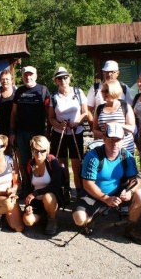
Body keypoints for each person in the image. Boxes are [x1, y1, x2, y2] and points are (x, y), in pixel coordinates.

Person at [72, 123, 141, 245]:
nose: (114, 143)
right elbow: (87, 184)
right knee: (79, 219)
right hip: (94, 195)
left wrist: (129, 191)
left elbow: (136, 180)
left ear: (123, 140)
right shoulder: (93, 156)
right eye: (111, 139)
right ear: (104, 138)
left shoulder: (126, 156)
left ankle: (130, 228)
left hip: (117, 194)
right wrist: (106, 198)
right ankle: (90, 219)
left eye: (118, 140)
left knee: (140, 195)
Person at [48, 67, 88, 201]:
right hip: (60, 133)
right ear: (56, 81)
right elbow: (51, 117)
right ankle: (66, 190)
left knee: (76, 164)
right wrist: (59, 125)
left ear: (69, 78)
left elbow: (85, 112)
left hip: (76, 132)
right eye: (60, 78)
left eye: (65, 77)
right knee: (61, 164)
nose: (63, 80)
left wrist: (76, 122)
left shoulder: (78, 92)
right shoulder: (54, 96)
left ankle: (79, 191)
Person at [9, 66, 50, 171]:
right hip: (22, 132)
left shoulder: (43, 90)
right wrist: (12, 132)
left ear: (36, 76)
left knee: (40, 160)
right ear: (22, 77)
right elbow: (14, 113)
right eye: (25, 75)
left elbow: (50, 113)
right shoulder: (19, 91)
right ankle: (27, 186)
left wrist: (48, 133)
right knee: (24, 161)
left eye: (30, 75)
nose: (28, 77)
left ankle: (41, 184)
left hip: (38, 132)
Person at [22, 135, 64, 235]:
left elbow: (56, 185)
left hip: (51, 197)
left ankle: (52, 219)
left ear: (47, 150)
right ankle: (43, 215)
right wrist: (28, 205)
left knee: (48, 197)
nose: (39, 154)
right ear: (32, 150)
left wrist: (36, 193)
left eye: (42, 151)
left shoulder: (52, 161)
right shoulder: (30, 164)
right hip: (36, 200)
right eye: (36, 151)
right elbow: (26, 187)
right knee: (28, 221)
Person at [93, 80, 136, 155]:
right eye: (102, 91)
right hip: (107, 149)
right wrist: (106, 135)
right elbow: (95, 130)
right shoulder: (99, 108)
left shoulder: (125, 106)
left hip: (125, 148)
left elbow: (132, 128)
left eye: (106, 91)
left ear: (114, 91)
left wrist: (115, 125)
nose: (103, 93)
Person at [87, 60, 133, 127]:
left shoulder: (124, 88)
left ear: (117, 73)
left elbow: (129, 108)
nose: (109, 74)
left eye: (112, 72)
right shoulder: (95, 88)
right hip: (100, 131)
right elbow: (88, 110)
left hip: (121, 132)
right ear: (103, 73)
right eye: (106, 72)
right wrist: (93, 125)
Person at [0, 70, 17, 155]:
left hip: (16, 127)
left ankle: (17, 168)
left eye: (7, 79)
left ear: (12, 80)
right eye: (3, 79)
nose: (5, 81)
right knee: (4, 153)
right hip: (1, 128)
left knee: (17, 153)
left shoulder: (17, 92)